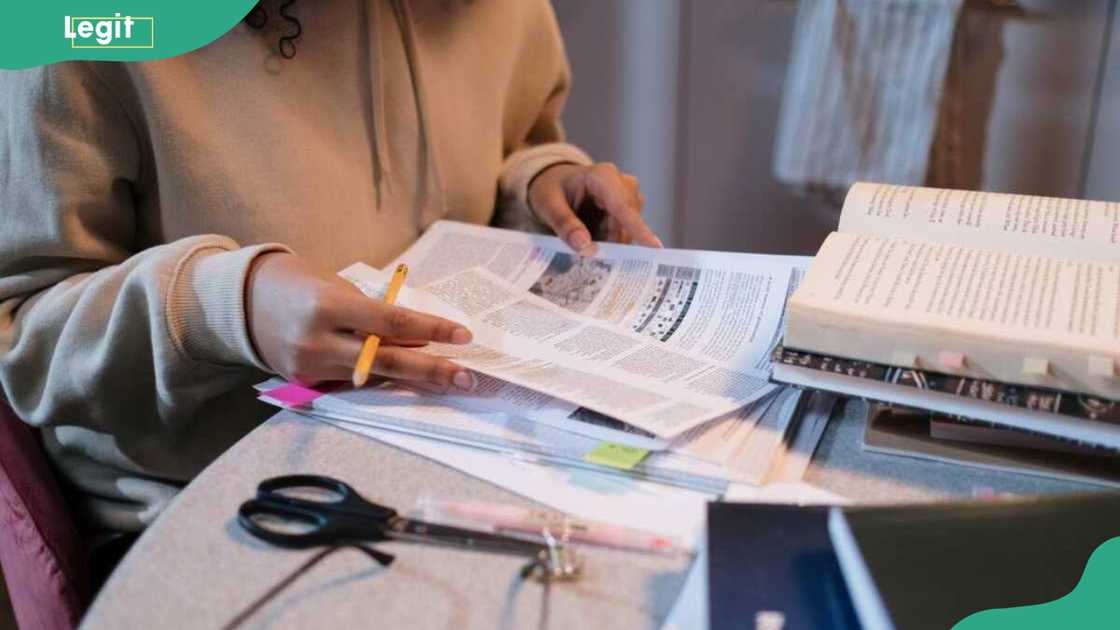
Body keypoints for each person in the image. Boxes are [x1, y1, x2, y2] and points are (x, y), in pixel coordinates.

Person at [0, 0, 659, 532]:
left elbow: (506, 148)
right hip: (218, 507)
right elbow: (24, 336)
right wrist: (226, 311)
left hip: (465, 448)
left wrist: (539, 186)